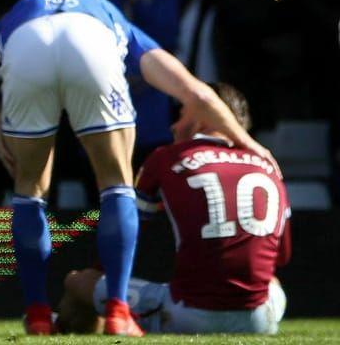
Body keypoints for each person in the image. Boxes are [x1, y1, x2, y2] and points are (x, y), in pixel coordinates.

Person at [0, 0, 274, 335]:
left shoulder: (15, 17)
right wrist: (248, 143)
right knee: (115, 184)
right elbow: (196, 93)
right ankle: (119, 311)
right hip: (93, 45)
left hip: (27, 45)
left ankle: (37, 314)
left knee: (29, 189)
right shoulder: (118, 24)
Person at [56, 83, 289, 335]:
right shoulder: (269, 165)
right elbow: (281, 257)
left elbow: (124, 235)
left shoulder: (166, 157)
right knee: (272, 282)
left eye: (181, 115)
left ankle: (59, 324)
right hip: (261, 319)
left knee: (78, 281)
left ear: (204, 118)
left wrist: (98, 280)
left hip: (191, 315)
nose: (173, 126)